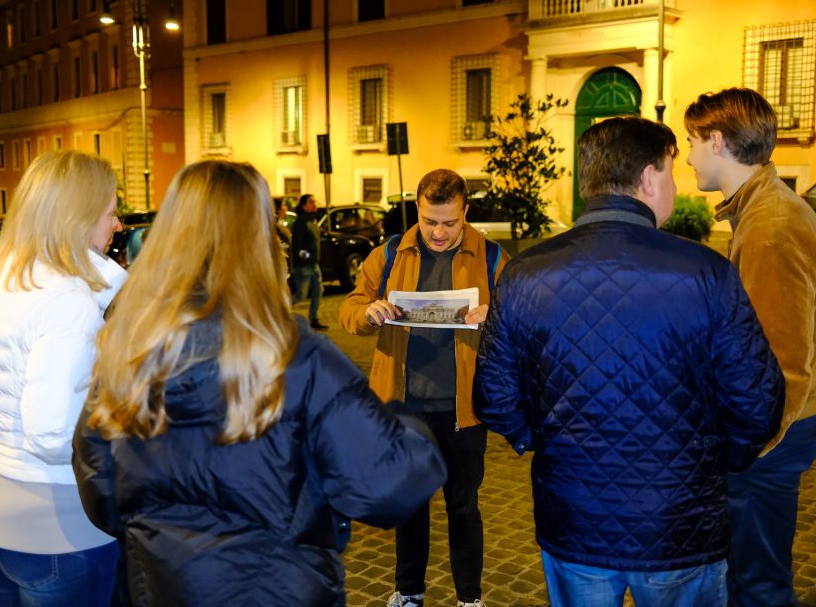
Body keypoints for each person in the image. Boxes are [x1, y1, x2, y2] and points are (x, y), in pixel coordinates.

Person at [72, 160, 447, 607]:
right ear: (259, 238)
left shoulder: (128, 344)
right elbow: (389, 483)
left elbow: (101, 489)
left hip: (163, 584)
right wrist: (407, 422)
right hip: (281, 589)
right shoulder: (295, 354)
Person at [474, 117, 785, 607]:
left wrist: (533, 438)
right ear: (646, 178)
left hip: (573, 517)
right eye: (669, 173)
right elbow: (757, 401)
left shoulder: (524, 274)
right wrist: (718, 461)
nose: (676, 187)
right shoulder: (706, 272)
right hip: (679, 522)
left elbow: (494, 396)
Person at [684, 88, 816, 606]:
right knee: (746, 576)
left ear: (718, 141)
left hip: (771, 433)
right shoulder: (760, 212)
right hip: (770, 427)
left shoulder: (771, 225)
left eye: (692, 141)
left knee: (759, 585)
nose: (686, 156)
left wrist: (751, 447)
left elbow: (783, 361)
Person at [0, 150, 126, 606]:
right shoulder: (67, 302)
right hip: (58, 529)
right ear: (79, 216)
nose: (118, 225)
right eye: (111, 212)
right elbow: (52, 436)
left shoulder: (1, 280)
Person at [339, 169, 509, 607]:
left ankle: (469, 598)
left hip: (464, 408)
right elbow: (350, 308)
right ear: (417, 209)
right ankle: (408, 592)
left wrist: (496, 317)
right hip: (403, 406)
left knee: (463, 508)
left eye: (449, 223)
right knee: (410, 506)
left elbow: (521, 320)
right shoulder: (391, 253)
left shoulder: (491, 257)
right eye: (430, 220)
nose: (438, 232)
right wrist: (367, 313)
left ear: (465, 212)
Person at [291, 193, 327, 329]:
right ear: (304, 206)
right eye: (311, 202)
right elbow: (298, 247)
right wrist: (307, 258)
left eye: (314, 202)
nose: (314, 205)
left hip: (313, 265)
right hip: (304, 266)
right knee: (301, 294)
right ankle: (278, 313)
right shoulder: (301, 222)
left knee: (318, 291)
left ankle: (313, 319)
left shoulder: (311, 221)